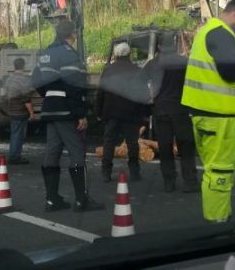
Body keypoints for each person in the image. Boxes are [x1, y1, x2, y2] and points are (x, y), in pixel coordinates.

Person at [181, 0, 235, 223]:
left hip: (208, 114)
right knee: (220, 174)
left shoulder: (209, 32)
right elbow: (228, 71)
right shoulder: (221, 33)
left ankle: (217, 216)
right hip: (219, 118)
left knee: (214, 172)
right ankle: (217, 224)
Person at [32, 19, 104, 212]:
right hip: (66, 110)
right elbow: (75, 86)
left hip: (49, 109)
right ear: (70, 34)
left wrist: (49, 95)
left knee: (52, 152)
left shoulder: (46, 53)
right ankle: (81, 200)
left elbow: (36, 79)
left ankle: (51, 199)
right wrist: (80, 114)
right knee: (77, 151)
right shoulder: (69, 55)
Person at [144, 40, 198, 193]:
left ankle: (169, 181)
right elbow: (195, 82)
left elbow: (139, 81)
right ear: (174, 46)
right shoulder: (184, 62)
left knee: (165, 147)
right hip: (181, 108)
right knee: (186, 146)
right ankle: (190, 181)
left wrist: (150, 97)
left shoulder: (153, 63)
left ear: (159, 47)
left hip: (161, 109)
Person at [97, 42, 149, 182]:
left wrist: (99, 111)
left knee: (109, 142)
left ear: (115, 55)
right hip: (131, 112)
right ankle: (134, 172)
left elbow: (101, 92)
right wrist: (144, 113)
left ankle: (106, 172)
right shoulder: (137, 70)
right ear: (129, 54)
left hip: (111, 112)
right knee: (132, 143)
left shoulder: (108, 70)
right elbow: (143, 93)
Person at [0, 58, 37, 165]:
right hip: (20, 111)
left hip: (12, 111)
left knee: (15, 134)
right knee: (18, 135)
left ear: (14, 66)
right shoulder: (23, 79)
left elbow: (3, 96)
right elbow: (26, 99)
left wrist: (6, 110)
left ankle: (14, 155)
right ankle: (15, 157)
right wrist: (32, 113)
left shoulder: (9, 79)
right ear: (23, 66)